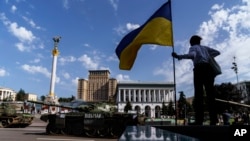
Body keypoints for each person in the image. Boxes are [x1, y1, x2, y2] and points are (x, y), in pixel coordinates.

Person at [172, 35, 220, 125]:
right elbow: (217, 52)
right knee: (211, 95)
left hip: (199, 69)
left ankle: (199, 120)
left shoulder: (193, 47)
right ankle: (214, 120)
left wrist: (179, 56)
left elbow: (192, 55)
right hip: (209, 70)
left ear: (192, 42)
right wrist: (207, 57)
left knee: (199, 95)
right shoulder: (205, 48)